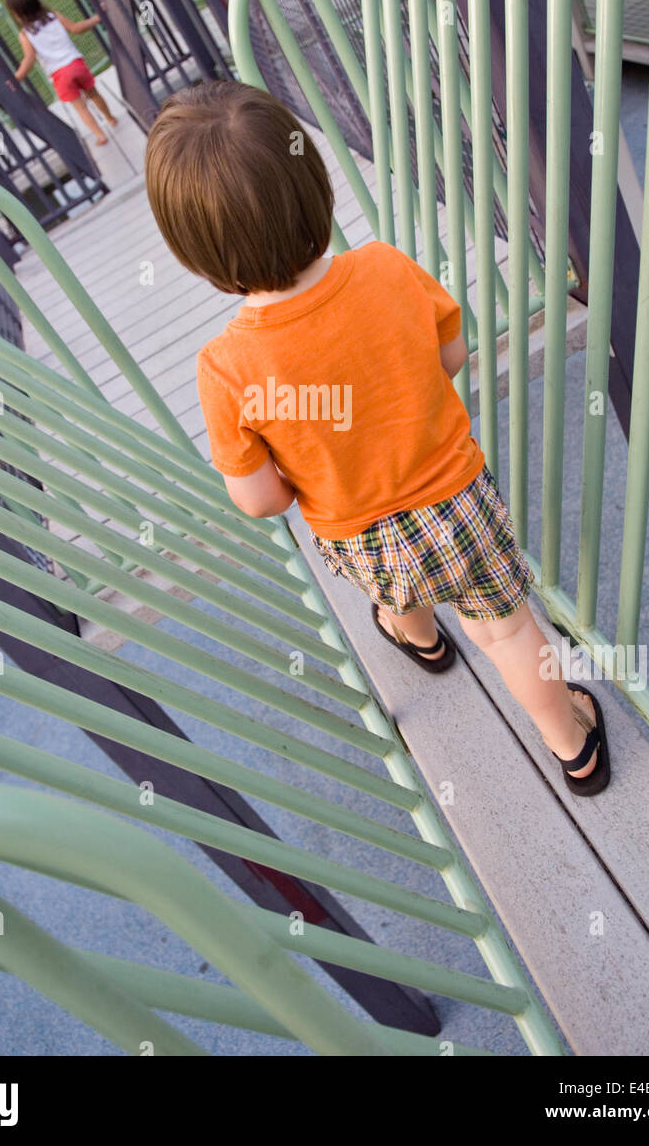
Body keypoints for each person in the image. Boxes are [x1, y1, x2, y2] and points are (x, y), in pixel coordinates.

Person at [145, 81, 611, 798]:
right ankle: (570, 743)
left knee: (395, 584)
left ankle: (419, 639)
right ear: (315, 188)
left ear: (194, 253)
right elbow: (451, 359)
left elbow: (262, 499)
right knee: (508, 633)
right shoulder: (387, 268)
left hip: (361, 536)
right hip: (456, 505)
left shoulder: (225, 368)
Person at [4, 0, 117, 146]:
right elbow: (77, 28)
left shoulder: (26, 34)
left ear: (16, 13)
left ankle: (100, 135)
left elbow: (29, 59)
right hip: (76, 64)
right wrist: (97, 17)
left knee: (81, 108)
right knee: (93, 94)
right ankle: (110, 118)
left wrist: (16, 78)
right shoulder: (53, 17)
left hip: (60, 75)